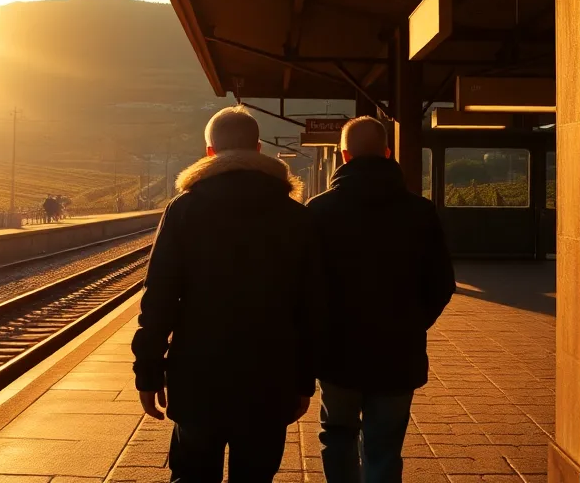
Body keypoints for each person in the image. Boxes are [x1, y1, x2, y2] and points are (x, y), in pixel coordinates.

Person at [132, 106, 323, 483]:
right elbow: (312, 306)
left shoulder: (184, 210)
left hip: (198, 377)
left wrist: (148, 371)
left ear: (209, 152)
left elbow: (160, 298)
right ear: (257, 148)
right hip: (270, 379)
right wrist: (303, 380)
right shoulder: (296, 218)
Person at [305, 116, 455, 483]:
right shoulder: (419, 212)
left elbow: (306, 285)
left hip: (336, 353)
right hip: (398, 353)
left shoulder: (318, 211)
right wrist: (411, 321)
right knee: (384, 445)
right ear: (388, 153)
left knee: (337, 434)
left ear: (343, 156)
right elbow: (441, 283)